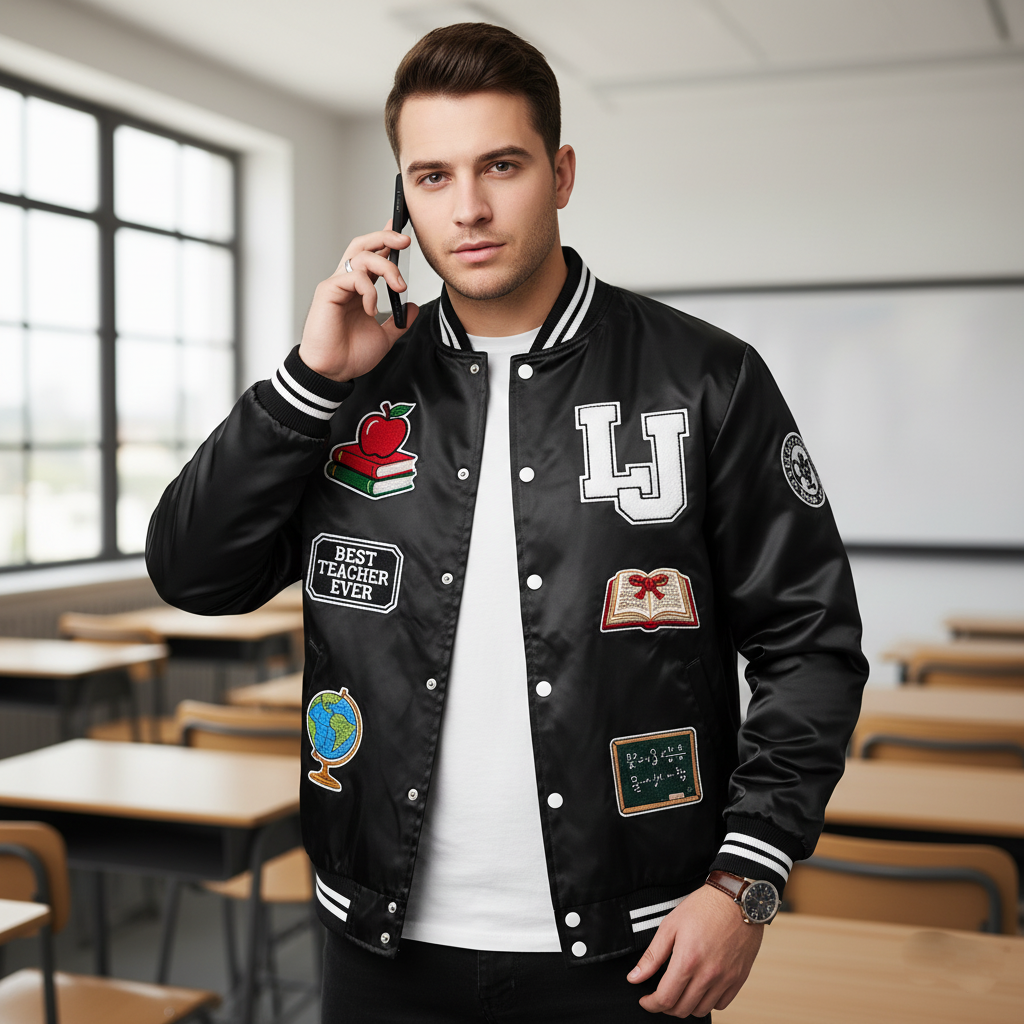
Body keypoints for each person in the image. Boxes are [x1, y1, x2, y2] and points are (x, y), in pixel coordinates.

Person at [147, 22, 867, 1022]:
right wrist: (308, 382)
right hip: (381, 942)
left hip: (637, 946)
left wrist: (746, 881)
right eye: (432, 177)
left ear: (560, 172)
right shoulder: (351, 385)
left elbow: (811, 642)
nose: (470, 207)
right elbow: (193, 572)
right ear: (400, 199)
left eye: (501, 165)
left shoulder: (705, 376)